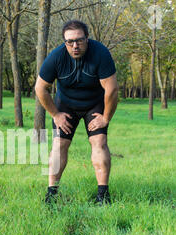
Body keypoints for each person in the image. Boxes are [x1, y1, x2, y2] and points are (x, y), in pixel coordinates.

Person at [35, 20, 119, 206]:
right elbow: (40, 88)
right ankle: (51, 194)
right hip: (66, 105)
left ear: (87, 39)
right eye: (69, 41)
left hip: (94, 104)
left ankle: (103, 195)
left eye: (79, 40)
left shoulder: (101, 53)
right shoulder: (56, 57)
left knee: (99, 142)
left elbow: (112, 90)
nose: (75, 45)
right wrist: (56, 114)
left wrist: (105, 117)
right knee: (59, 144)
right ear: (64, 42)